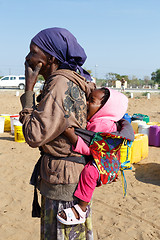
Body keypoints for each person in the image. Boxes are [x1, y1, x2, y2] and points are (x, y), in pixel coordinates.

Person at [19, 27, 95, 240]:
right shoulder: (71, 79)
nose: (28, 57)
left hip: (63, 181)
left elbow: (34, 135)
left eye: (34, 51)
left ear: (51, 57)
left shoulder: (60, 83)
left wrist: (28, 91)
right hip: (66, 176)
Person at [57, 87, 128, 225]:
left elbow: (93, 149)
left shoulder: (102, 124)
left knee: (89, 172)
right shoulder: (102, 121)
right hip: (108, 161)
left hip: (102, 161)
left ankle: (81, 209)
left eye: (92, 101)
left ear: (105, 108)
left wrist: (73, 138)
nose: (86, 104)